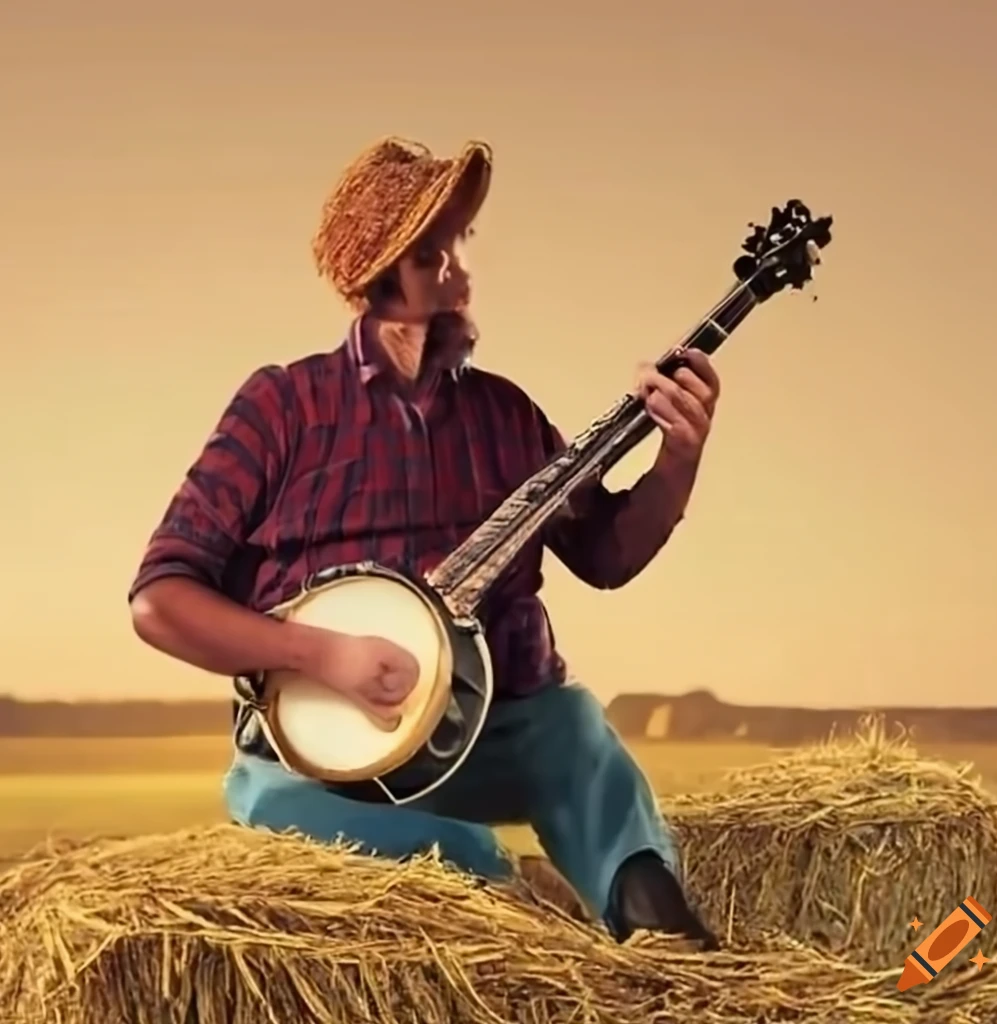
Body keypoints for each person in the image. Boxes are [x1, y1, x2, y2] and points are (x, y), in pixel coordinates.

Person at [129, 136, 722, 949]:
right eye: (434, 252)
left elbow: (608, 557)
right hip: (321, 760)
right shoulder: (281, 407)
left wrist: (679, 460)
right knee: (315, 819)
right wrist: (321, 655)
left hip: (501, 728)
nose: (462, 275)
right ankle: (496, 898)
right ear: (379, 272)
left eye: (461, 244)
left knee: (579, 734)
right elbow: (162, 599)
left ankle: (672, 948)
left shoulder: (507, 415)